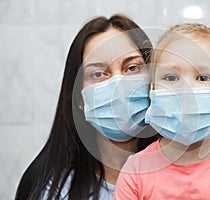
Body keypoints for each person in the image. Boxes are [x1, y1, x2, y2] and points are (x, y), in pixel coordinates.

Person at [114, 23, 210, 199]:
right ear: (152, 92)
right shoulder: (135, 172)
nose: (186, 88)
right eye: (171, 77)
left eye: (203, 77)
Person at [15, 14, 157, 200]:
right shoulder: (53, 190)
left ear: (154, 80)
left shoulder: (184, 176)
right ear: (79, 98)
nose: (118, 84)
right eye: (98, 74)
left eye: (132, 68)